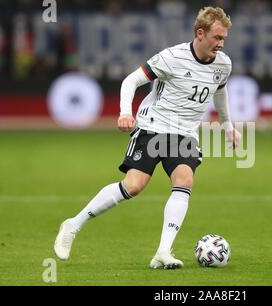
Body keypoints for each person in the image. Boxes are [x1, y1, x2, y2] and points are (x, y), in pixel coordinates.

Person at [54, 6, 241, 269]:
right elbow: (131, 80)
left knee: (184, 178)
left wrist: (227, 126)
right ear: (200, 33)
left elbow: (219, 92)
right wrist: (124, 112)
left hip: (184, 132)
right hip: (153, 126)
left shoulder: (223, 65)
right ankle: (73, 224)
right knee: (133, 186)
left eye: (224, 39)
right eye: (217, 38)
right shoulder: (172, 57)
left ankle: (163, 252)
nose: (221, 44)